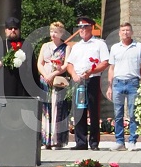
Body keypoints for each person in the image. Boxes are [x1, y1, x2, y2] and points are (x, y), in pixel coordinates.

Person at [67, 16, 110, 150]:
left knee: (93, 110)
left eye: (84, 27)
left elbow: (105, 62)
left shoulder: (99, 44)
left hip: (92, 79)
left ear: (91, 27)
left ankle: (94, 142)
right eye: (80, 27)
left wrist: (91, 71)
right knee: (79, 111)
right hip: (78, 80)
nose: (82, 30)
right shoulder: (77, 46)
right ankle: (80, 142)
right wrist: (73, 74)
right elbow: (69, 64)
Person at [107, 21, 141, 149]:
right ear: (120, 33)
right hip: (118, 83)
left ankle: (132, 141)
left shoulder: (139, 47)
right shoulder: (115, 48)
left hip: (133, 83)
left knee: (133, 114)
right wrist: (110, 86)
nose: (125, 32)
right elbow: (111, 68)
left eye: (128, 30)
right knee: (118, 114)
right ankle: (119, 141)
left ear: (132, 32)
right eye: (123, 30)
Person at [37, 21, 72, 149]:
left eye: (56, 32)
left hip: (57, 79)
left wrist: (53, 74)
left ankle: (56, 140)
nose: (53, 34)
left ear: (61, 33)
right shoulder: (45, 46)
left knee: (57, 107)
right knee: (45, 108)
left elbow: (66, 65)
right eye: (51, 31)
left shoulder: (66, 47)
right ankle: (46, 140)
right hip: (45, 79)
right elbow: (39, 63)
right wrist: (46, 75)